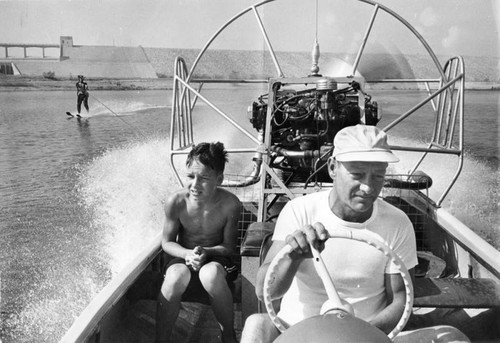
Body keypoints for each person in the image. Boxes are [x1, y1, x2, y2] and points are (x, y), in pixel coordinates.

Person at [240, 124, 469, 343]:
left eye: (378, 176)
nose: (368, 187)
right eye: (358, 175)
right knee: (256, 325)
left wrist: (356, 335)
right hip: (298, 332)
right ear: (332, 168)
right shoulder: (299, 211)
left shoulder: (398, 223)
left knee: (451, 336)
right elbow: (264, 291)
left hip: (368, 335)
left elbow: (400, 300)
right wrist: (293, 256)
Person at [156, 142, 242, 343]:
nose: (195, 184)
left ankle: (228, 336)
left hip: (217, 261)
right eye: (190, 176)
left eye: (203, 178)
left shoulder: (230, 204)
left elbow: (229, 248)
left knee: (210, 274)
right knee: (175, 276)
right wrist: (187, 254)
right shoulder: (176, 202)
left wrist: (206, 251)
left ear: (219, 179)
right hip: (184, 258)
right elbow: (167, 243)